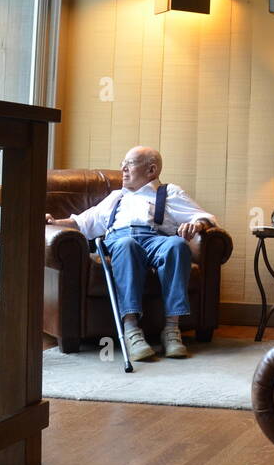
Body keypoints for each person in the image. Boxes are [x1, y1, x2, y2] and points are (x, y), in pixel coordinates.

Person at [46, 146, 216, 362]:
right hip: (120, 240)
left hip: (156, 239)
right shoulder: (116, 197)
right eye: (122, 163)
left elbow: (203, 216)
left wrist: (197, 225)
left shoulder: (169, 192)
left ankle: (172, 329)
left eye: (130, 163)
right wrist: (54, 222)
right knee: (127, 244)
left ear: (151, 170)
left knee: (177, 245)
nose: (123, 169)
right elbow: (83, 222)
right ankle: (131, 329)